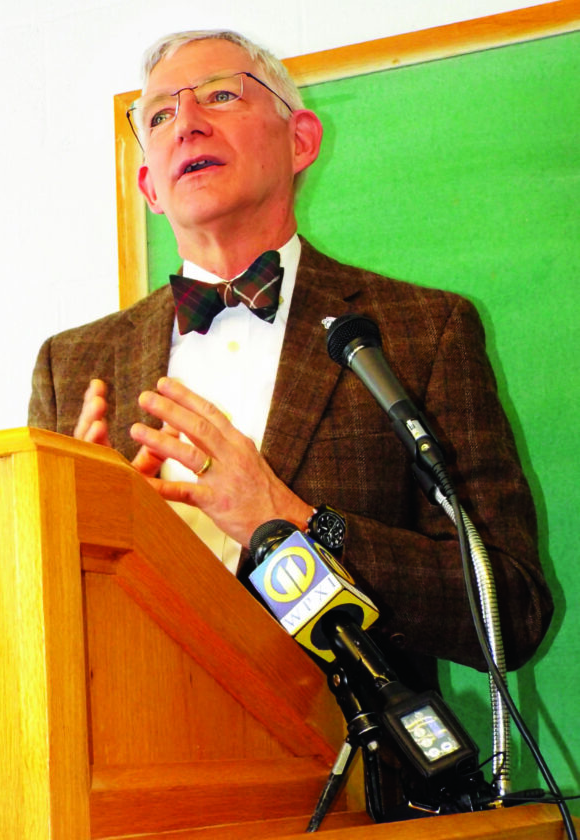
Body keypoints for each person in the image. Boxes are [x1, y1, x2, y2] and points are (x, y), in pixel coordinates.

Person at [29, 28, 552, 809]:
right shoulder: (71, 366)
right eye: (161, 115)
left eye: (219, 95)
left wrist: (292, 519)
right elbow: (40, 640)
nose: (187, 123)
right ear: (148, 185)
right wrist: (78, 545)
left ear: (300, 139)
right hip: (137, 797)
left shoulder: (421, 331)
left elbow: (513, 607)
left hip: (366, 800)